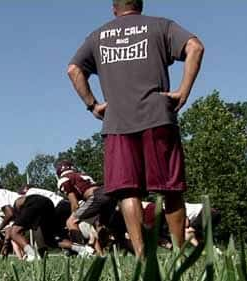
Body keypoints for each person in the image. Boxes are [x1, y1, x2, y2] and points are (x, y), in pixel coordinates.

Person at [67, 0, 204, 257]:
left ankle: (142, 255)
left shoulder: (97, 36)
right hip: (158, 117)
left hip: (117, 122)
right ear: (140, 5)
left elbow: (73, 69)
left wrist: (93, 105)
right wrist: (184, 92)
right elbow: (195, 47)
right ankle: (179, 253)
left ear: (114, 8)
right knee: (170, 189)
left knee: (127, 190)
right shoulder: (160, 26)